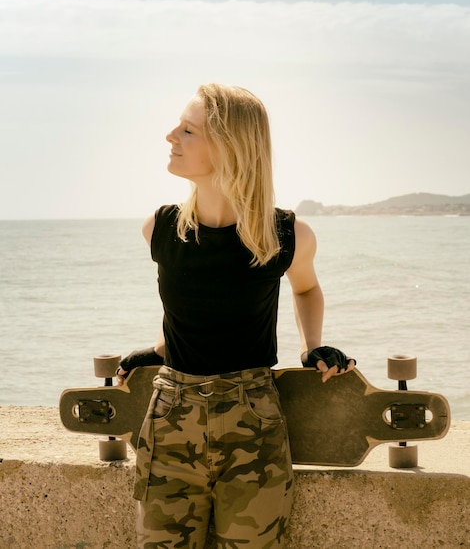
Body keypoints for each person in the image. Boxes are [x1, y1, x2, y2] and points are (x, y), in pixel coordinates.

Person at [116, 83, 355, 548]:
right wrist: (158, 351)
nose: (170, 136)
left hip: (254, 422)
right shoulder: (159, 229)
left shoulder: (287, 234)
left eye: (187, 130)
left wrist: (313, 346)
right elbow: (196, 310)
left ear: (231, 147)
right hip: (170, 421)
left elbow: (305, 288)